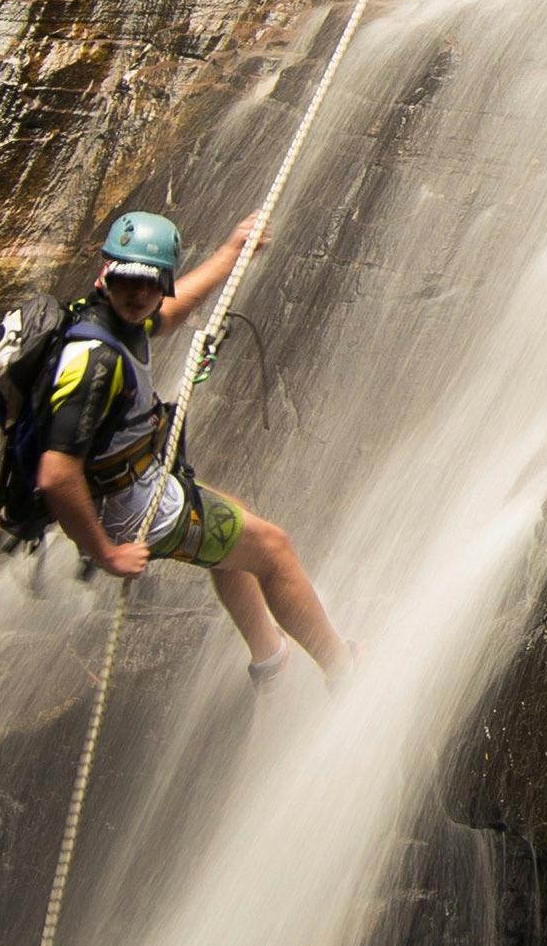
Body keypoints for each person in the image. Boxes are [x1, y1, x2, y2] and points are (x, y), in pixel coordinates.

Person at [33, 210, 353, 682]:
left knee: (235, 523)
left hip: (125, 490)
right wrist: (106, 554)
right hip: (129, 509)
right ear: (106, 271)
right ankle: (342, 669)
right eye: (127, 280)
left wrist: (230, 253)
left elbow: (166, 313)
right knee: (274, 550)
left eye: (151, 282)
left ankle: (269, 656)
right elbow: (56, 474)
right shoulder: (94, 363)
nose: (139, 294)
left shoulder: (106, 317)